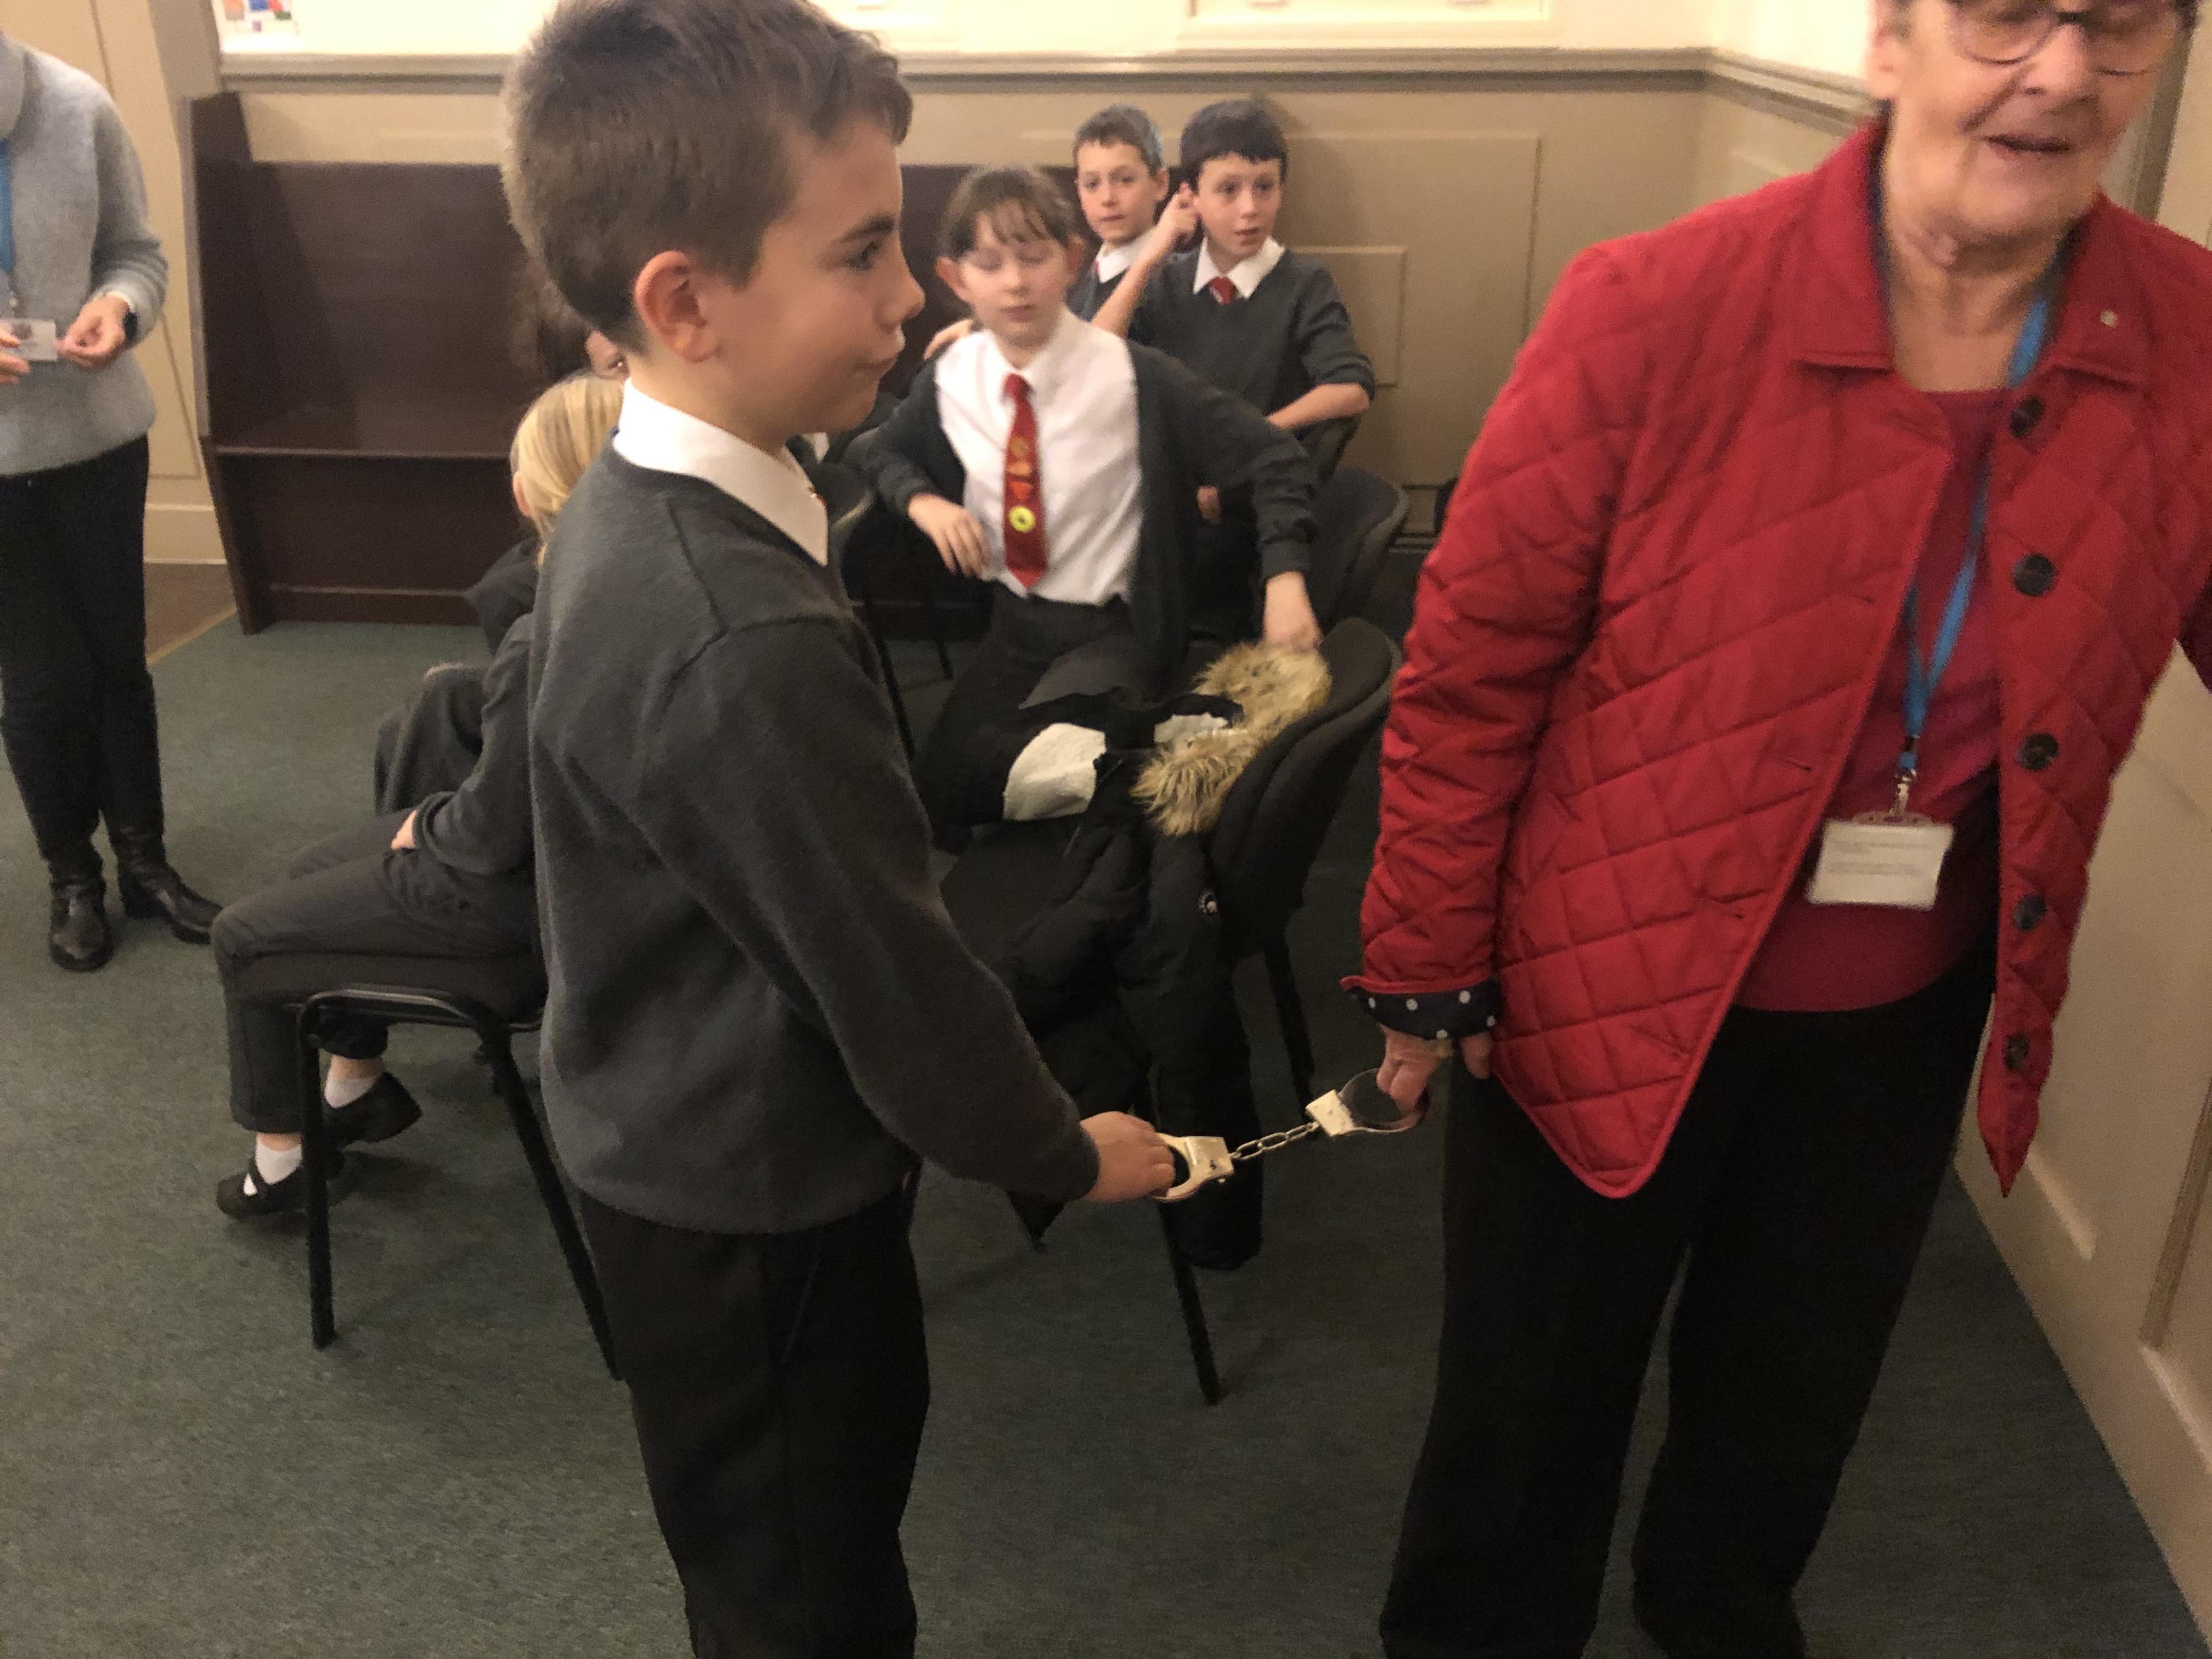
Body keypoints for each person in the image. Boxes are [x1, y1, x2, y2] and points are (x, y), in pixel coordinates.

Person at [1351, 3, 2212, 1656]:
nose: (2060, 71)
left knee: (1789, 1401)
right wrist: (1426, 961)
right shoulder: (1656, 307)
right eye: (2007, 14)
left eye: (2117, 23)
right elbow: (1474, 668)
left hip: (1904, 1012)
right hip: (1598, 988)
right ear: (1892, 35)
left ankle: (1718, 1618)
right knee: (1526, 1419)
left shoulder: (2190, 342)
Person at [500, 4, 1173, 1654]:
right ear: (685, 303)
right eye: (863, 253)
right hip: (752, 1213)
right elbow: (888, 968)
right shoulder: (735, 632)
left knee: (777, 1557)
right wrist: (1056, 1147)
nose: (908, 295)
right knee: (807, 1592)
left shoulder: (645, 501)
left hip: (683, 1137)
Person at [208, 373, 622, 1220]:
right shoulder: (628, 584)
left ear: (526, 495)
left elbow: (487, 837)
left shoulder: (542, 632)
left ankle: (283, 1167)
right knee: (329, 846)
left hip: (516, 904)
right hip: (581, 874)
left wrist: (424, 827)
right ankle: (355, 1081)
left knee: (243, 937)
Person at [848, 164, 1318, 846]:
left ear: (1071, 261)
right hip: (1017, 625)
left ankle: (1162, 765)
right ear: (956, 279)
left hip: (1116, 630)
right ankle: (1150, 753)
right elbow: (879, 450)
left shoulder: (1136, 378)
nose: (1014, 282)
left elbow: (1275, 459)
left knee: (989, 769)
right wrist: (922, 501)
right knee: (933, 794)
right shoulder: (951, 378)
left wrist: (1285, 578)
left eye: (1033, 258)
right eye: (989, 264)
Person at [0, 29, 219, 972]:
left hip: (99, 441)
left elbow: (138, 253)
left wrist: (122, 307)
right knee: (40, 679)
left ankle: (145, 863)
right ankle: (73, 879)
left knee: (117, 661)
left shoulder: (77, 105)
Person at [1093, 98, 1373, 455]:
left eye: (1264, 187)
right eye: (1228, 190)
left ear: (1282, 191)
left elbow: (1351, 389)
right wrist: (1148, 258)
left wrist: (1251, 436)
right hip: (1178, 473)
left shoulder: (1305, 284)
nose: (1250, 209)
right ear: (1191, 196)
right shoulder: (1166, 281)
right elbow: (1094, 361)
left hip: (1264, 473)